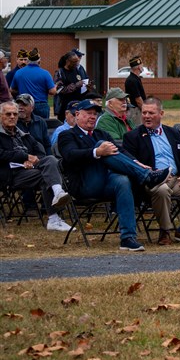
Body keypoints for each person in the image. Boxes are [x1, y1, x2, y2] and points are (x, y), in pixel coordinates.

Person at [58, 100, 170, 252]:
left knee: (122, 181)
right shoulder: (67, 135)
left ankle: (128, 238)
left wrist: (137, 163)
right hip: (84, 183)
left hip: (105, 181)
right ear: (77, 114)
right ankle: (147, 177)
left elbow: (121, 151)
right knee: (101, 145)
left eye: (95, 114)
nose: (92, 117)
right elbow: (70, 155)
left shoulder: (100, 133)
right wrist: (97, 152)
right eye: (88, 113)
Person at [123, 98, 180, 246]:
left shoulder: (173, 133)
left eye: (151, 113)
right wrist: (152, 174)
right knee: (163, 190)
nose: (146, 116)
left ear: (161, 113)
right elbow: (132, 164)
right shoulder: (133, 137)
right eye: (144, 112)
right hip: (152, 181)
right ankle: (165, 231)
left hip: (176, 179)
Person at [0, 100, 74, 232]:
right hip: (8, 174)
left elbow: (39, 151)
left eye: (15, 114)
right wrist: (24, 157)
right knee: (48, 174)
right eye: (8, 114)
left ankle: (56, 202)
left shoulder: (22, 134)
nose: (12, 117)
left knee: (49, 162)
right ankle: (54, 216)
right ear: (0, 116)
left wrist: (32, 160)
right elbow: (1, 155)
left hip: (29, 171)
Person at [9, 48, 55, 119]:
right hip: (41, 104)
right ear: (39, 61)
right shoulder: (45, 73)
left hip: (25, 104)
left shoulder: (19, 73)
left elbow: (11, 90)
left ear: (27, 61)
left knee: (24, 127)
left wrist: (21, 90)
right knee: (42, 127)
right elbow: (52, 91)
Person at [53, 49, 93, 120]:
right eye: (74, 62)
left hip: (78, 105)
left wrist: (87, 89)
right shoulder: (60, 73)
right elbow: (59, 90)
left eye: (77, 61)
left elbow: (81, 89)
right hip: (65, 106)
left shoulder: (77, 71)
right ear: (67, 61)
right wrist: (75, 85)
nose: (76, 64)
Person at [123, 56, 147, 128]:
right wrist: (145, 111)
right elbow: (138, 99)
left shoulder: (135, 79)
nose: (142, 66)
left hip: (137, 110)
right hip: (135, 111)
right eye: (141, 65)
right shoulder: (132, 80)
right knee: (138, 129)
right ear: (138, 67)